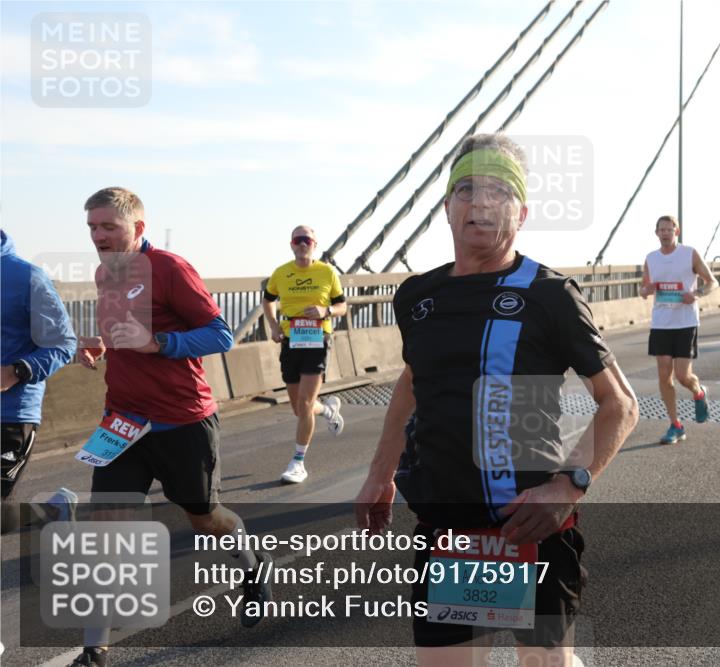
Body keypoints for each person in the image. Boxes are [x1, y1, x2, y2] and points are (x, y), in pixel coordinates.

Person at [354, 134, 639, 667]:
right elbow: (414, 383)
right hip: (451, 534)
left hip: (530, 527)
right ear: (446, 207)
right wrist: (380, 473)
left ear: (522, 212)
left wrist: (568, 485)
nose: (480, 203)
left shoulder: (550, 295)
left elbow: (619, 403)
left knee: (543, 664)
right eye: (466, 189)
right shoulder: (417, 297)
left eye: (498, 192)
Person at [73, 188, 272, 666]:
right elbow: (129, 334)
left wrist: (158, 342)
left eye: (109, 228)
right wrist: (104, 344)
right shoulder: (105, 274)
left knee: (205, 520)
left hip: (182, 421)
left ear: (138, 229)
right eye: (93, 229)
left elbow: (219, 334)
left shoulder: (170, 268)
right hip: (122, 422)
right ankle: (94, 650)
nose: (99, 237)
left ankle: (252, 563)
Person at [1, 230, 77, 534]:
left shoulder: (26, 277)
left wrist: (18, 370)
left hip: (9, 415)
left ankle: (52, 510)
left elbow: (63, 344)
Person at [262, 225, 347, 484]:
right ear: (291, 244)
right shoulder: (281, 273)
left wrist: (326, 312)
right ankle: (328, 411)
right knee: (300, 408)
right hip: (291, 340)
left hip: (318, 339)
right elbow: (267, 299)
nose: (302, 244)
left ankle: (298, 462)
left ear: (314, 244)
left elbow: (342, 305)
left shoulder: (327, 272)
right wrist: (274, 326)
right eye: (298, 240)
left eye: (307, 240)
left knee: (306, 403)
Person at [640, 215, 718, 444]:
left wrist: (696, 294)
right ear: (656, 233)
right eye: (661, 230)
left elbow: (712, 282)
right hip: (661, 322)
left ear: (677, 231)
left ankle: (699, 392)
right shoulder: (651, 258)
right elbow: (644, 287)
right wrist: (646, 290)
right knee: (664, 375)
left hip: (685, 322)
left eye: (669, 229)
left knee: (683, 376)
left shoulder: (689, 254)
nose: (665, 233)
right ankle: (676, 425)